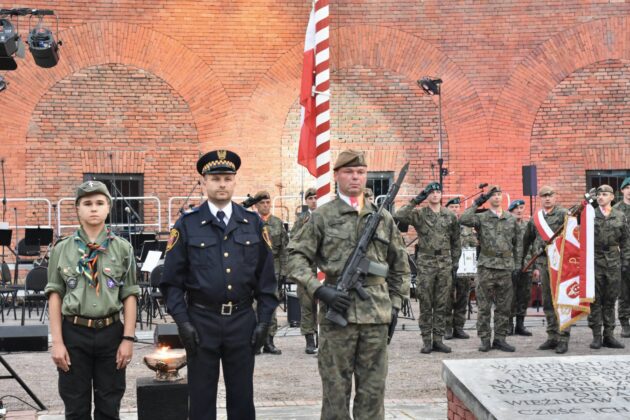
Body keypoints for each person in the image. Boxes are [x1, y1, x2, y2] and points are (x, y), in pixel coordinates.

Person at [287, 149, 410, 420]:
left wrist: (396, 305)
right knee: (335, 393)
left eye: (360, 172)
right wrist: (319, 289)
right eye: (349, 172)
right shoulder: (321, 216)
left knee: (373, 394)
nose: (355, 177)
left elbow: (400, 266)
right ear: (337, 176)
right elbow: (295, 258)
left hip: (375, 316)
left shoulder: (383, 218)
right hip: (337, 317)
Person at [159, 150, 279, 420]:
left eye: (227, 178)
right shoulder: (187, 224)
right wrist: (182, 322)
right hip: (202, 321)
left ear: (235, 181)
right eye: (215, 179)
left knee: (242, 399)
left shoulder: (251, 223)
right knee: (201, 400)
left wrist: (263, 321)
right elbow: (171, 282)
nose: (222, 184)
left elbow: (267, 280)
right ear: (203, 183)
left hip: (241, 320)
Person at [45, 180, 139, 420]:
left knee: (110, 404)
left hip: (111, 332)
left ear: (109, 207)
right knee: (75, 405)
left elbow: (129, 295)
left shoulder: (123, 249)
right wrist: (57, 342)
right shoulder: (61, 249)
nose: (93, 208)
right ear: (77, 208)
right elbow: (55, 295)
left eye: (99, 203)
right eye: (87, 203)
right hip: (74, 332)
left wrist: (128, 338)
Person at [394, 182, 460, 354]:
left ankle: (438, 340)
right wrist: (416, 200)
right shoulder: (420, 214)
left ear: (441, 195)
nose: (435, 195)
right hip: (426, 263)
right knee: (426, 303)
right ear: (427, 195)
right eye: (431, 192)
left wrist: (455, 262)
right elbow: (399, 215)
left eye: (438, 191)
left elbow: (456, 241)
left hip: (444, 263)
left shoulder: (449, 215)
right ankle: (426, 341)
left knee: (442, 304)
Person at [460, 185, 520, 352]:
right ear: (489, 198)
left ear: (502, 198)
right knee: (484, 306)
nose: (497, 198)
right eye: (493, 195)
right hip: (486, 266)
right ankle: (485, 339)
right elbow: (463, 219)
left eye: (499, 195)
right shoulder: (482, 217)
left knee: (504, 306)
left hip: (505, 267)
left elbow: (517, 244)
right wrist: (477, 203)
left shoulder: (511, 218)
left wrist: (517, 264)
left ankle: (500, 339)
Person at [522, 186, 570, 353]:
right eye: (544, 196)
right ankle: (552, 336)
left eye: (550, 195)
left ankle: (564, 338)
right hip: (543, 263)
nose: (547, 198)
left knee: (562, 300)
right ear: (540, 198)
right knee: (548, 302)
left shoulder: (565, 214)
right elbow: (526, 241)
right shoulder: (536, 218)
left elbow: (572, 237)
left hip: (561, 263)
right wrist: (525, 261)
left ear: (555, 197)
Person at [588, 184, 629, 349]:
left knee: (610, 300)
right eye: (599, 195)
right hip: (595, 261)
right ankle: (597, 336)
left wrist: (626, 260)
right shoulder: (590, 215)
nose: (601, 197)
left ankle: (609, 335)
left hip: (613, 262)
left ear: (612, 197)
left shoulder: (619, 216)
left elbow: (626, 240)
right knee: (595, 300)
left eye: (604, 194)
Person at [253, 190, 289, 355]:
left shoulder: (277, 222)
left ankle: (269, 341)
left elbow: (283, 250)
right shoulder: (250, 222)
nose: (265, 205)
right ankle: (255, 342)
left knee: (270, 305)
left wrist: (283, 272)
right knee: (253, 306)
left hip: (272, 267)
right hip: (253, 268)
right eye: (262, 203)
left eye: (267, 202)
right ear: (256, 205)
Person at [290, 187, 318, 354]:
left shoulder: (326, 217)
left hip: (322, 268)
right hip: (306, 268)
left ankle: (322, 337)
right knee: (307, 305)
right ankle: (309, 339)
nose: (314, 200)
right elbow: (293, 241)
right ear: (306, 201)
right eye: (311, 198)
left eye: (316, 197)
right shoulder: (301, 219)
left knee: (323, 306)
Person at [444, 197, 472, 340]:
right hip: (446, 265)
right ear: (447, 209)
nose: (455, 209)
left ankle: (459, 327)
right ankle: (447, 328)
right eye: (452, 207)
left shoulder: (466, 227)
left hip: (464, 267)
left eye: (457, 207)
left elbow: (473, 244)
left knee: (463, 296)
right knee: (447, 297)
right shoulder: (443, 224)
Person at [508, 199, 533, 337]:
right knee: (509, 297)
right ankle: (508, 325)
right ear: (510, 211)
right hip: (510, 266)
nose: (519, 211)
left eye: (521, 208)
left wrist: (534, 267)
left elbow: (533, 247)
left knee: (524, 296)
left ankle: (520, 324)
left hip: (526, 266)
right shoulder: (506, 226)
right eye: (516, 209)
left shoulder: (528, 226)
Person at [614, 177, 630, 337]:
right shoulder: (616, 210)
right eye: (628, 187)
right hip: (623, 258)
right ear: (623, 190)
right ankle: (625, 325)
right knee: (624, 293)